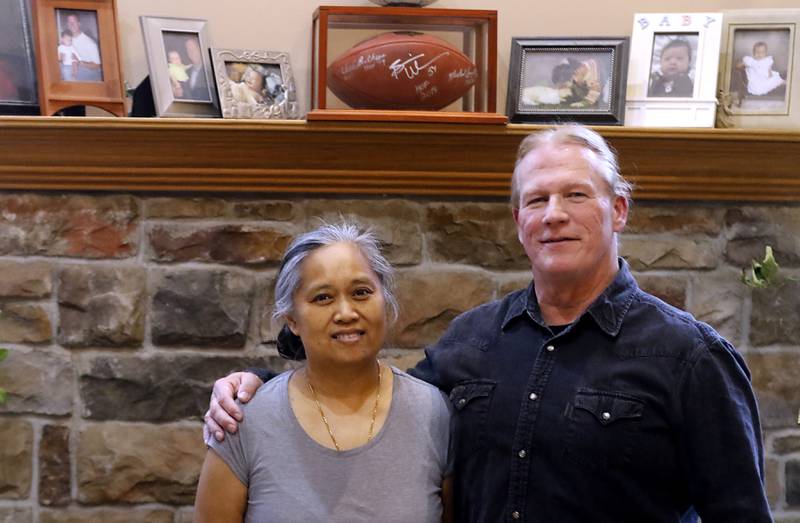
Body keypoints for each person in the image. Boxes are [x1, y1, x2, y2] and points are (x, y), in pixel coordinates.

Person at [207, 125, 771, 522]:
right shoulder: (472, 340)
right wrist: (259, 382)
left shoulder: (691, 359)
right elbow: (362, 384)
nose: (554, 214)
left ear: (618, 208)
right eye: (536, 199)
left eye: (576, 194)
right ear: (518, 220)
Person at [194, 222, 453, 522]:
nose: (346, 313)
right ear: (292, 319)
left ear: (384, 300)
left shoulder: (434, 413)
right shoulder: (244, 421)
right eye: (323, 298)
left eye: (361, 292)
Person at [64, 13, 101, 82]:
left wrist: (80, 62)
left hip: (89, 73)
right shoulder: (65, 40)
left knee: (66, 70)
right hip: (72, 70)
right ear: (67, 25)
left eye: (74, 22)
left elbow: (97, 65)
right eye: (69, 22)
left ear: (79, 24)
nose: (71, 24)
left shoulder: (89, 42)